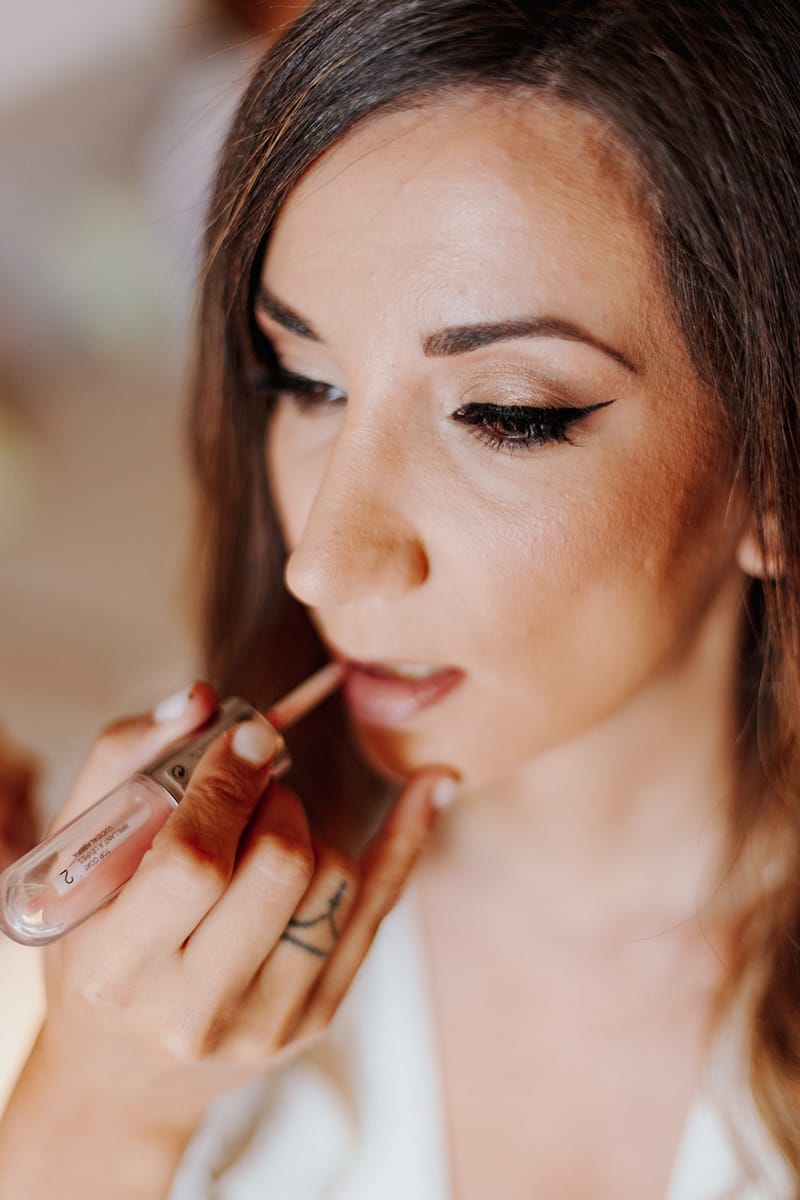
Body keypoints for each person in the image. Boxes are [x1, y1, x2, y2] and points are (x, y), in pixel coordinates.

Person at [1, 0, 799, 1195]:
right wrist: (100, 1107)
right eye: (305, 381)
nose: (319, 561)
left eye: (505, 414)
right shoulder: (126, 936)